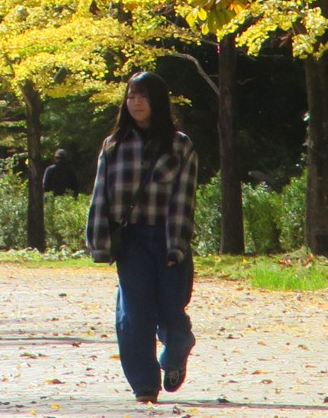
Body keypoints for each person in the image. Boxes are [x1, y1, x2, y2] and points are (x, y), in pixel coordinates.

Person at [86, 70, 199, 404]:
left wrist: (176, 245)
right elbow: (100, 197)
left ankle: (177, 350)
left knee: (172, 310)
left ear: (158, 101)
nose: (136, 103)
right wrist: (99, 241)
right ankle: (145, 384)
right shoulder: (113, 146)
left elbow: (184, 198)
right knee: (134, 312)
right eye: (131, 96)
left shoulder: (179, 145)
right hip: (131, 239)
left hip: (166, 235)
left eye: (143, 96)